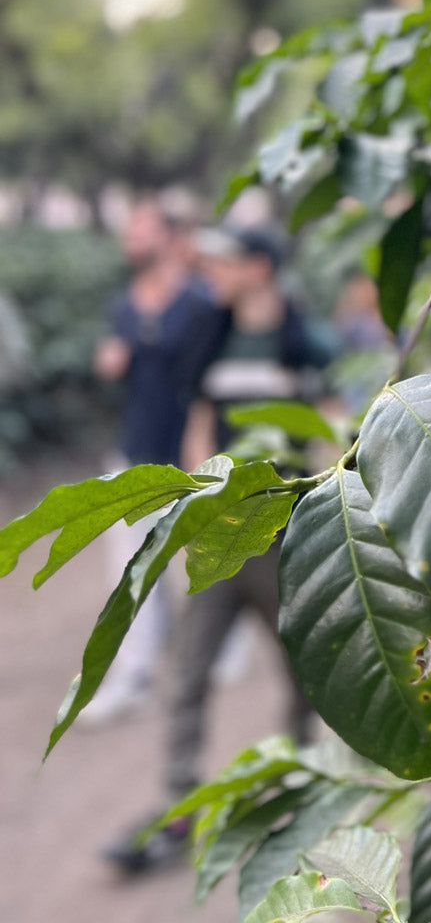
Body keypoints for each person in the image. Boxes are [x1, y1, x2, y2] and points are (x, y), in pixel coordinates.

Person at [104, 221, 329, 875]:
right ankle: (178, 804)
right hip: (221, 537)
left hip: (284, 536)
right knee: (188, 669)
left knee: (304, 671)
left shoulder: (301, 340)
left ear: (259, 267)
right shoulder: (212, 336)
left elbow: (335, 421)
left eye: (226, 261)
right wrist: (200, 502)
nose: (213, 271)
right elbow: (198, 423)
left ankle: (299, 785)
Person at [82, 194, 218, 726]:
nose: (130, 239)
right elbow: (120, 358)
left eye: (140, 228)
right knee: (130, 572)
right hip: (134, 457)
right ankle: (134, 673)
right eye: (128, 230)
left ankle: (223, 645)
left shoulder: (201, 305)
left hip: (189, 458)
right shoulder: (124, 304)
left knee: (202, 559)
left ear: (167, 235)